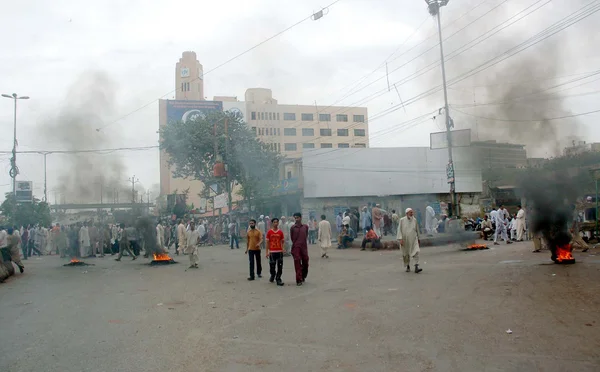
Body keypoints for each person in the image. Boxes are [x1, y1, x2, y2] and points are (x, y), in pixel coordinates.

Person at [397, 208, 422, 273]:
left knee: (416, 252)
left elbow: (417, 230)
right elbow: (399, 230)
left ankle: (416, 267)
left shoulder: (415, 220)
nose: (412, 214)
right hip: (405, 240)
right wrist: (400, 239)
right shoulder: (402, 220)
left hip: (414, 239)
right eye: (410, 212)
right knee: (405, 254)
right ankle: (408, 266)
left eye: (412, 212)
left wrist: (419, 238)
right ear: (407, 213)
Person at [290, 212, 309, 286]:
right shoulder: (293, 228)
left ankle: (303, 275)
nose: (296, 219)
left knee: (305, 262)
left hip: (304, 247)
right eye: (295, 218)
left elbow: (306, 235)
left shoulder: (305, 227)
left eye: (297, 217)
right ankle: (298, 279)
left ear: (301, 218)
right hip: (296, 247)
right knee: (297, 263)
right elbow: (292, 238)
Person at [266, 218, 285, 286]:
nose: (276, 223)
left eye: (277, 222)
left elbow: (283, 241)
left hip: (279, 251)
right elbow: (267, 243)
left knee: (280, 266)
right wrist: (267, 252)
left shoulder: (280, 232)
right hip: (272, 252)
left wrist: (283, 249)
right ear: (272, 223)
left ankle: (278, 278)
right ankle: (273, 275)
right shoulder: (269, 232)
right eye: (274, 222)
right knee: (272, 266)